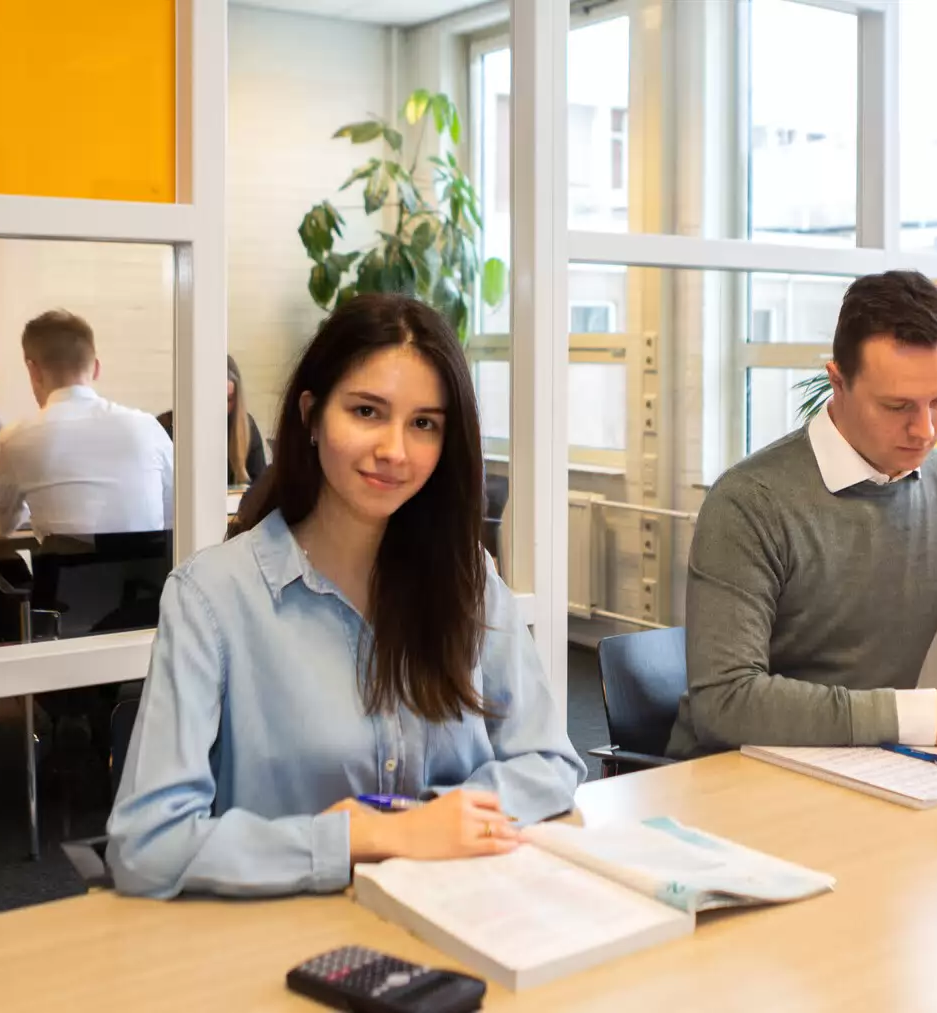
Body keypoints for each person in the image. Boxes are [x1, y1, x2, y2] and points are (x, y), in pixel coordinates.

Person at [107, 294, 584, 899]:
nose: (395, 450)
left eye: (424, 424)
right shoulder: (213, 599)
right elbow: (149, 844)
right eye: (366, 411)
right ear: (311, 416)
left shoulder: (468, 581)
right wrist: (367, 838)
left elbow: (549, 763)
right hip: (278, 941)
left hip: (457, 912)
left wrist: (440, 818)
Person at [667, 270, 937, 760]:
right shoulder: (749, 502)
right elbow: (725, 703)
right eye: (896, 406)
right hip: (729, 777)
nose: (925, 429)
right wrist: (928, 717)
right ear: (838, 382)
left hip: (870, 768)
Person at [0, 310, 174, 538]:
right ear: (96, 367)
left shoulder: (16, 437)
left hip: (65, 573)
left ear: (33, 370)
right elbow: (174, 509)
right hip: (149, 572)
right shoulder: (147, 426)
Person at [155, 354, 268, 486]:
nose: (222, 407)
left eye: (229, 399)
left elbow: (260, 487)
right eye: (215, 397)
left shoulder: (246, 428)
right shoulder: (167, 427)